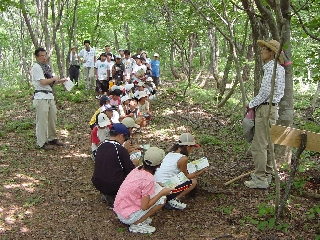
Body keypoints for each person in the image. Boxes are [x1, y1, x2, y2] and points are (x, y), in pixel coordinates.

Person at [244, 40, 285, 189]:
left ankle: (260, 178)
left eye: (264, 50)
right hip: (272, 109)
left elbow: (266, 92)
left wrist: (252, 103)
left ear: (271, 53)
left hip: (266, 109)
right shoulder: (278, 68)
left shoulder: (272, 68)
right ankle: (267, 173)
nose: (261, 52)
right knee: (267, 143)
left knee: (259, 144)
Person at [114, 147, 174, 234]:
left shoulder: (137, 169)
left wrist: (157, 185)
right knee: (162, 199)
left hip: (120, 209)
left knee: (157, 188)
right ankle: (137, 223)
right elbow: (144, 206)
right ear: (159, 164)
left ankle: (138, 218)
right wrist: (161, 193)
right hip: (127, 217)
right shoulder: (148, 179)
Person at [154, 133, 208, 210]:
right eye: (192, 147)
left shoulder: (171, 153)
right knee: (193, 181)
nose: (192, 150)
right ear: (188, 146)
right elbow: (186, 176)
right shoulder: (183, 158)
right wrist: (201, 171)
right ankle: (172, 199)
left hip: (157, 184)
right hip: (165, 187)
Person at [92, 123, 135, 207]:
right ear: (121, 136)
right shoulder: (120, 149)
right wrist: (135, 163)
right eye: (125, 138)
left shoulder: (101, 145)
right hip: (113, 185)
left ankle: (107, 193)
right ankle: (115, 196)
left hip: (97, 182)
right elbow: (130, 170)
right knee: (133, 176)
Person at [32, 47, 67, 150]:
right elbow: (42, 82)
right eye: (41, 56)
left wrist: (60, 81)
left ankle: (52, 138)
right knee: (42, 120)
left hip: (49, 95)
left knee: (52, 117)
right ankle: (41, 142)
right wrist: (54, 78)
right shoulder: (36, 67)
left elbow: (51, 81)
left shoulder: (46, 67)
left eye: (45, 55)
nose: (44, 57)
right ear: (37, 57)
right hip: (41, 96)